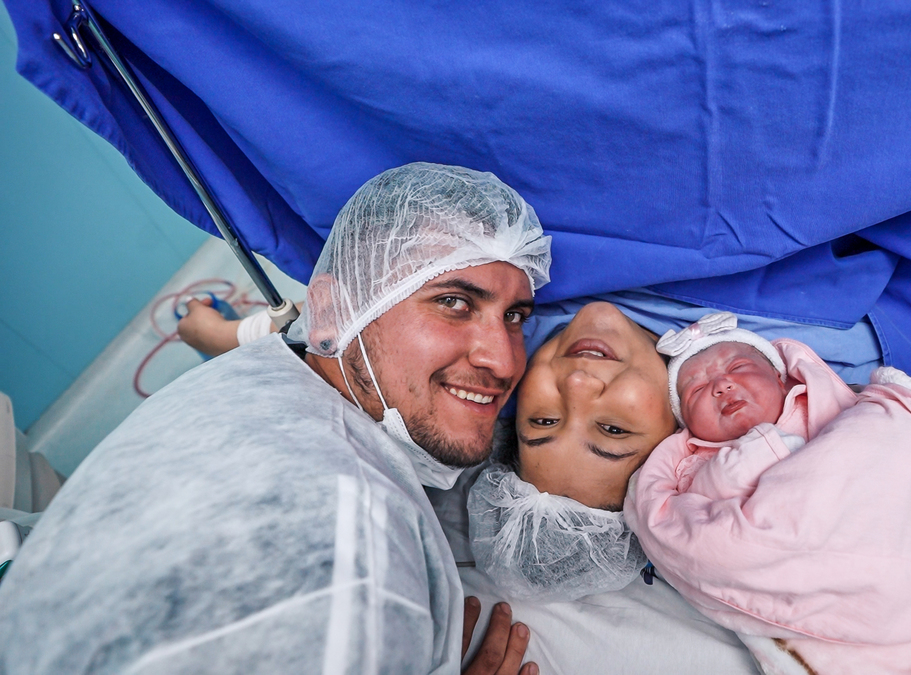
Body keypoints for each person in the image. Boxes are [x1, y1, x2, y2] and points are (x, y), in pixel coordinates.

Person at [0, 163, 550, 675]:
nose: (504, 361)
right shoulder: (353, 560)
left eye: (514, 316)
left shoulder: (281, 373)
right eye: (454, 302)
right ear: (335, 311)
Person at [623, 313, 911, 674]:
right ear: (689, 428)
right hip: (846, 602)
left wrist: (890, 409)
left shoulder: (845, 411)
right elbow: (707, 545)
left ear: (784, 379)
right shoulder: (702, 471)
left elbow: (903, 440)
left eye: (739, 367)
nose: (721, 385)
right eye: (696, 389)